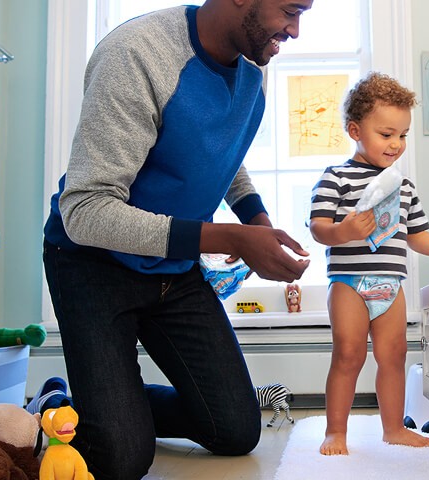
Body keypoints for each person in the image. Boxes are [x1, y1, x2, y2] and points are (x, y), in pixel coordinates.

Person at [37, 1, 313, 478]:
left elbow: (215, 153)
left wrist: (256, 220)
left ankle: (110, 409)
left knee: (236, 431)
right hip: (92, 264)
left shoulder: (251, 67)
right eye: (290, 10)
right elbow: (84, 211)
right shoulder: (136, 55)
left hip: (173, 269)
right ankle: (62, 405)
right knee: (121, 460)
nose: (295, 30)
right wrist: (229, 237)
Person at [309, 72, 429, 455]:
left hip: (390, 284)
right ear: (355, 130)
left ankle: (394, 427)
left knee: (394, 355)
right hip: (349, 282)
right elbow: (318, 229)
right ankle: (336, 431)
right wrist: (344, 231)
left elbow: (419, 236)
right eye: (386, 134)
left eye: (402, 135)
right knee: (348, 354)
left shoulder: (404, 186)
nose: (396, 144)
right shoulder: (335, 178)